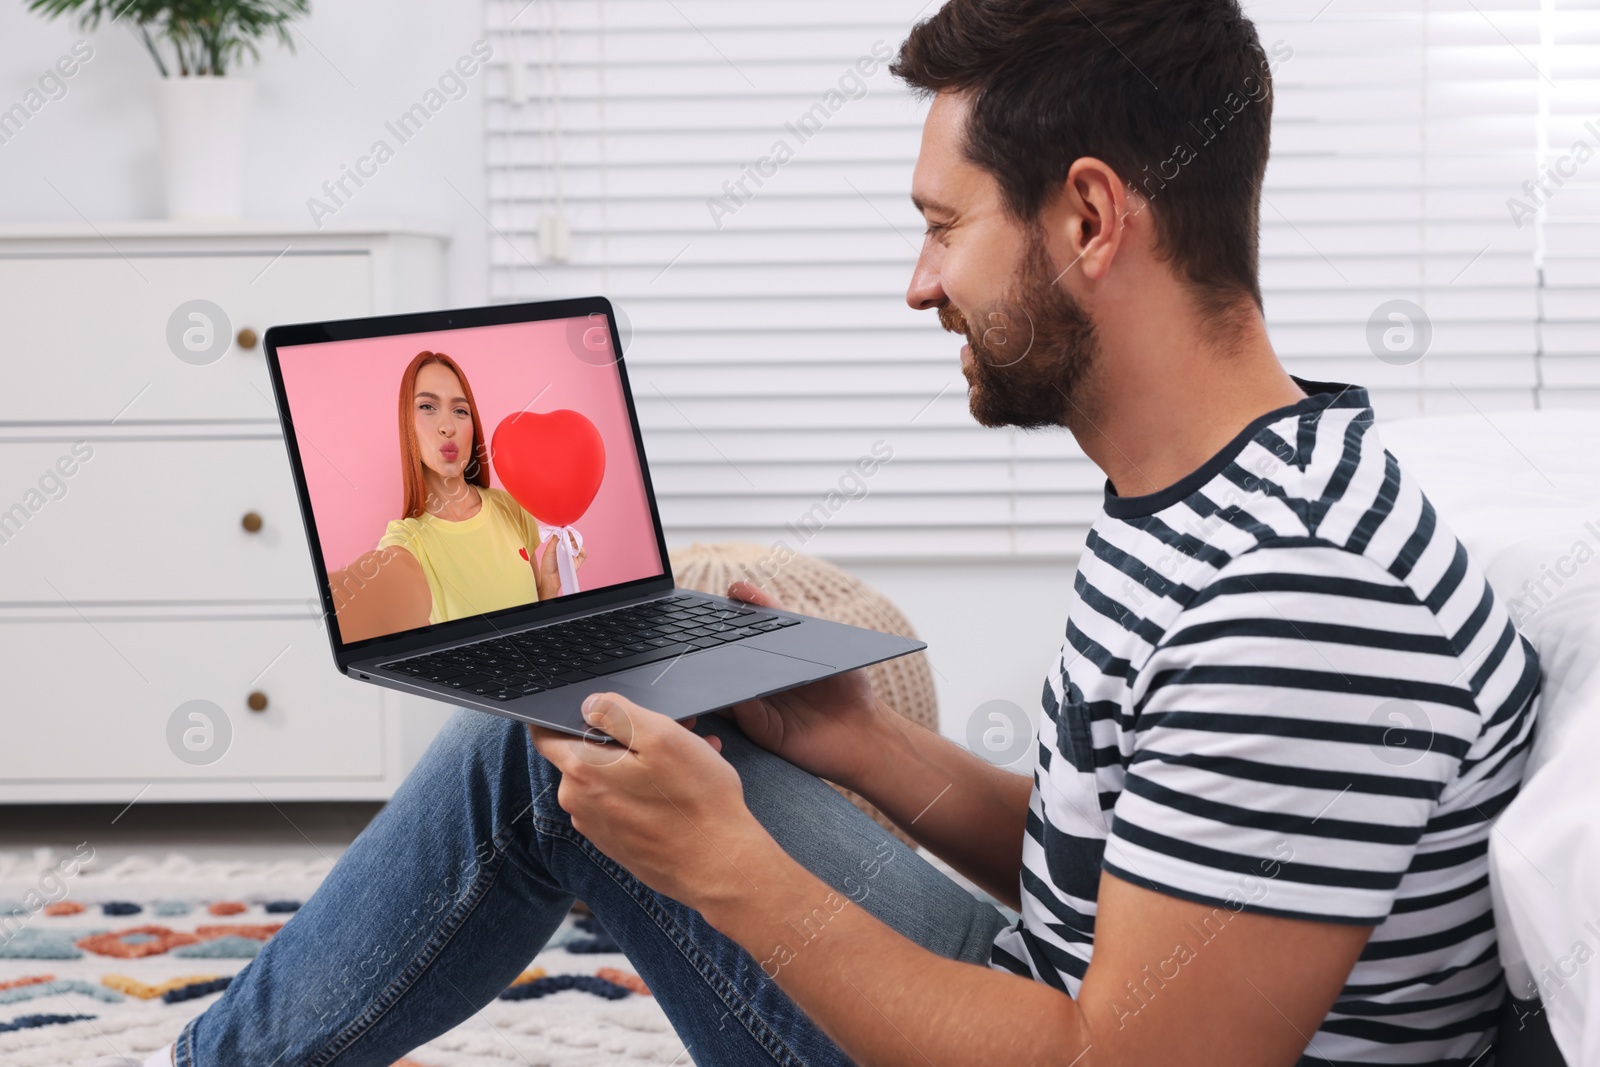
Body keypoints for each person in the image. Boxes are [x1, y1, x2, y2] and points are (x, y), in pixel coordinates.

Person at [123, 1, 1538, 1063]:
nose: (918, 285)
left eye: (945, 226)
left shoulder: (1299, 599)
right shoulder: (1230, 487)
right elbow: (1129, 879)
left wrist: (726, 864)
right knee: (566, 726)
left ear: (1092, 218)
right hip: (1058, 984)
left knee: (550, 755)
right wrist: (863, 741)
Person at [329, 350, 586, 643]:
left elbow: (536, 624)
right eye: (427, 406)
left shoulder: (510, 506)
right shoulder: (407, 540)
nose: (448, 427)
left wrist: (551, 584)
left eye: (460, 411)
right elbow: (388, 582)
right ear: (407, 424)